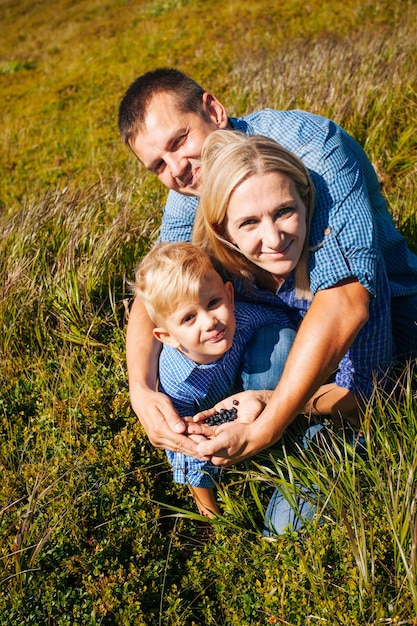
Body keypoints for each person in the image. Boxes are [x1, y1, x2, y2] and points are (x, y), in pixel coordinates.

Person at [118, 67, 417, 470]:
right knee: (177, 351)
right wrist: (141, 390)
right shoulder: (192, 188)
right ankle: (220, 441)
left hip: (384, 317)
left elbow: (346, 301)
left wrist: (269, 422)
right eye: (158, 165)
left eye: (180, 140)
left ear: (213, 109)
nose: (177, 169)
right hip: (280, 318)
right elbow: (156, 288)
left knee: (300, 503)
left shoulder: (312, 151)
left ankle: (310, 423)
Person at [189, 130, 398, 533]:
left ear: (306, 201)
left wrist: (269, 402)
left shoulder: (342, 274)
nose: (274, 239)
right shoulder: (225, 274)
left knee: (282, 534)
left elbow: (367, 393)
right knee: (270, 339)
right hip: (271, 390)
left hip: (343, 413)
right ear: (224, 230)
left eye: (284, 211)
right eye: (249, 222)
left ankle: (293, 453)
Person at [131, 241, 293, 518]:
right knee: (198, 444)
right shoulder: (176, 383)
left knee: (283, 338)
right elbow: (185, 447)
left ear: (229, 295)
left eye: (213, 303)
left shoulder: (241, 317)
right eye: (189, 318)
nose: (210, 322)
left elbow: (279, 318)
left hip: (244, 391)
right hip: (206, 415)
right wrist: (207, 504)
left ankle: (277, 429)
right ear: (166, 337)